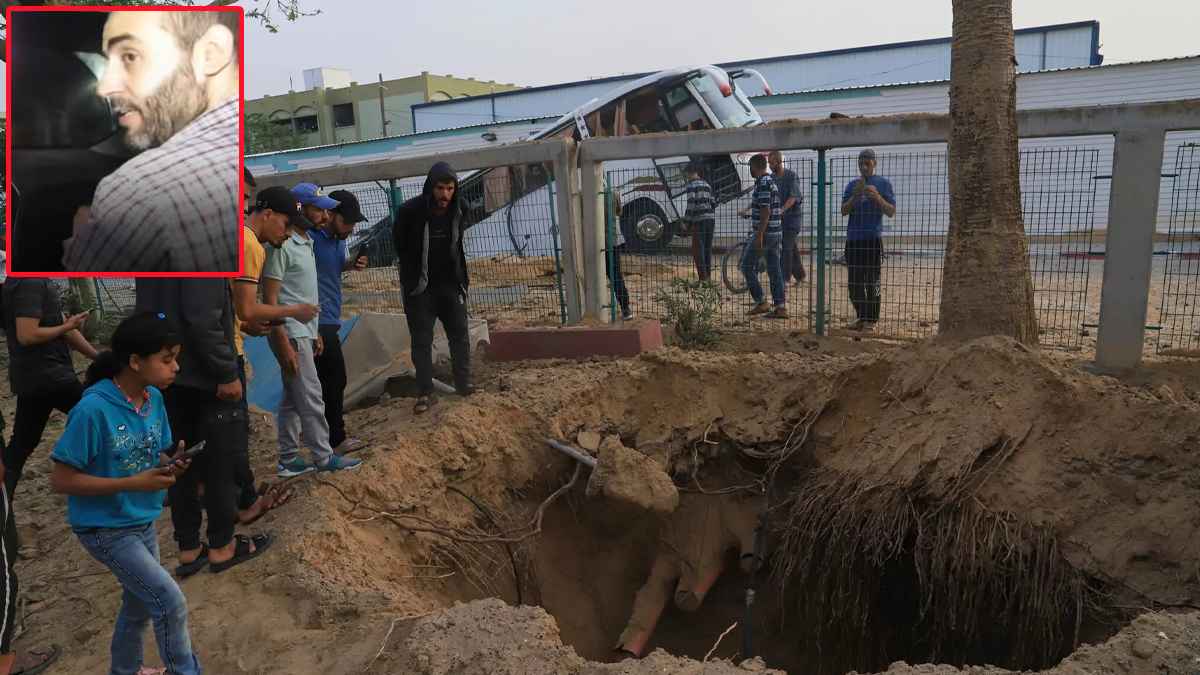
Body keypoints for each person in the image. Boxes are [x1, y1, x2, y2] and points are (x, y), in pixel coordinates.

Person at [48, 312, 202, 675]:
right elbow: (61, 479)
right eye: (167, 360)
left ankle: (125, 669)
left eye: (175, 358)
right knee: (169, 601)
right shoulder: (92, 410)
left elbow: (153, 454)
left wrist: (172, 462)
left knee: (137, 607)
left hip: (141, 519)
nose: (176, 367)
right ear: (135, 361)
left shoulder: (153, 400)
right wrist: (132, 483)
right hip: (105, 529)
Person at [62, 10, 240, 273]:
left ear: (209, 55)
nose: (104, 88)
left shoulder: (135, 187)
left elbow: (83, 270)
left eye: (130, 57)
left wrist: (82, 239)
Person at [135, 276, 274, 577]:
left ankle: (189, 548)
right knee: (219, 459)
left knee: (180, 457)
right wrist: (225, 371)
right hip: (206, 375)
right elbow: (202, 319)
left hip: (169, 373)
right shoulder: (200, 250)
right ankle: (221, 545)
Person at [263, 184, 362, 476]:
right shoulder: (282, 246)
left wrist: (315, 329)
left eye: (325, 209)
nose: (324, 215)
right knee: (311, 392)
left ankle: (289, 458)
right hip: (290, 331)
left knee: (293, 398)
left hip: (305, 330)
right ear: (299, 209)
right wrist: (281, 336)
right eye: (317, 209)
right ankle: (323, 455)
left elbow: (306, 293)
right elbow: (271, 298)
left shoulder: (306, 242)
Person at [393, 162, 478, 415]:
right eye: (440, 188)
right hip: (420, 289)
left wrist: (460, 280)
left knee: (460, 335)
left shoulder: (460, 208)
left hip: (450, 284)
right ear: (431, 188)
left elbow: (458, 243)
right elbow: (399, 244)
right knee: (421, 341)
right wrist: (413, 278)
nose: (445, 194)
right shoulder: (410, 211)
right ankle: (425, 393)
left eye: (450, 188)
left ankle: (464, 384)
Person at [1, 278, 99, 495]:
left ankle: (3, 508)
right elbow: (26, 335)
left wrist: (98, 357)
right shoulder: (30, 281)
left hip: (40, 377)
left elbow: (65, 328)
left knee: (21, 446)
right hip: (49, 376)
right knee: (105, 416)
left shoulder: (34, 280)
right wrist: (66, 325)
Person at [313, 190, 369, 454]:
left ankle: (323, 438)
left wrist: (350, 265)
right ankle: (335, 440)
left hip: (331, 318)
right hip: (316, 322)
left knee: (329, 381)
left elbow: (331, 270)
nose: (351, 227)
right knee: (334, 379)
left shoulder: (339, 239)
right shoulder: (310, 239)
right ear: (331, 215)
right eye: (347, 221)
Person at [840, 149, 897, 331]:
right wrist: (856, 196)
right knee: (854, 284)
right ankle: (861, 316)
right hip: (854, 239)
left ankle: (871, 320)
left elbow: (890, 211)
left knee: (873, 282)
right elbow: (843, 211)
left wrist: (877, 198)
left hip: (872, 240)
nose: (864, 166)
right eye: (861, 163)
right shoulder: (852, 185)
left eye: (868, 162)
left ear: (875, 163)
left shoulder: (883, 184)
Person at [739, 154, 787, 319]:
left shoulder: (763, 183)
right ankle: (780, 307)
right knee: (774, 270)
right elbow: (764, 207)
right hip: (775, 232)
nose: (750, 171)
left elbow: (765, 211)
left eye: (750, 168)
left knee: (746, 266)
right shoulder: (770, 182)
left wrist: (759, 235)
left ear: (754, 167)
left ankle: (761, 301)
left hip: (766, 233)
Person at [769, 151, 806, 285]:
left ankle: (784, 279)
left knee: (786, 248)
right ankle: (800, 276)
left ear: (779, 162)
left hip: (792, 220)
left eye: (771, 162)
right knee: (791, 248)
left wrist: (782, 209)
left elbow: (794, 197)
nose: (770, 165)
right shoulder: (771, 178)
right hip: (779, 220)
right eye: (768, 162)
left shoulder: (791, 176)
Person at [683, 162, 716, 282]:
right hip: (710, 220)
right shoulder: (707, 185)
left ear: (690, 173)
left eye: (687, 174)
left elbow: (691, 204)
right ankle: (708, 277)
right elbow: (713, 202)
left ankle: (702, 279)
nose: (687, 177)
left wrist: (686, 222)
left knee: (698, 250)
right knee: (707, 249)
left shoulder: (691, 186)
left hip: (699, 221)